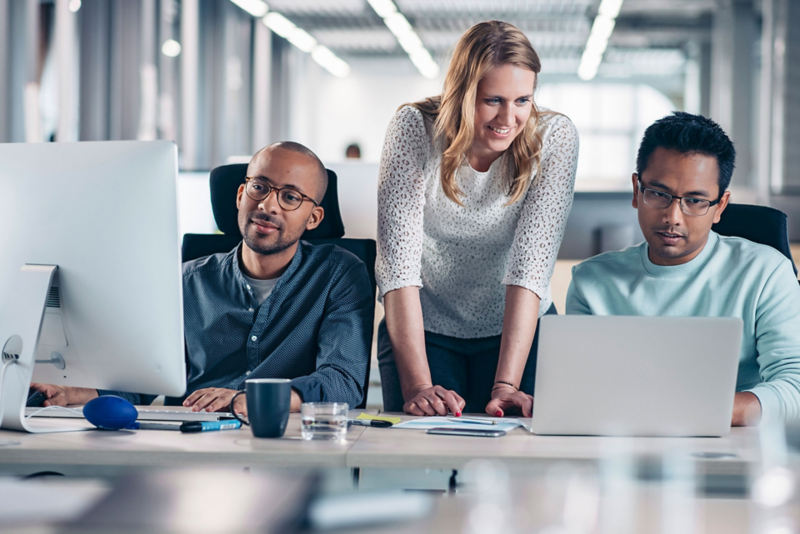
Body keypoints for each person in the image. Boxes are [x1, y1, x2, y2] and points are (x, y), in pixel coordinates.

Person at [31, 141, 375, 415]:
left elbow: (343, 381)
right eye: (260, 187)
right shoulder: (188, 280)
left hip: (286, 438)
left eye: (289, 197)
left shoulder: (339, 274)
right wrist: (78, 391)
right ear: (241, 196)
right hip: (191, 439)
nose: (269, 206)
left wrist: (249, 398)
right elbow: (150, 373)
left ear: (313, 218)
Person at [376, 21, 579, 418]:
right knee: (427, 454)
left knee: (514, 457)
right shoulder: (415, 128)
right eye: (493, 100)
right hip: (427, 327)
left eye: (523, 100)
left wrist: (507, 385)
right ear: (462, 93)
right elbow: (397, 267)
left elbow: (530, 268)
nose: (509, 117)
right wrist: (418, 385)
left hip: (519, 330)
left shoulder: (554, 138)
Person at [566, 112, 800, 426]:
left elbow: (794, 386)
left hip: (736, 445)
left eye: (695, 200)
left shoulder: (767, 273)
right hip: (623, 441)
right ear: (637, 191)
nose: (673, 216)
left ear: (720, 206)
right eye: (659, 194)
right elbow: (581, 392)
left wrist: (698, 410)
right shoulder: (591, 282)